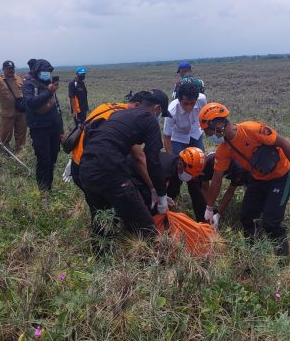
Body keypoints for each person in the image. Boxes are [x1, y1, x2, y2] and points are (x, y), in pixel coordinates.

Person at [199, 102, 290, 255]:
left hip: (281, 176)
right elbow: (216, 179)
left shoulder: (252, 129)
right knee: (247, 216)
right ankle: (253, 252)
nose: (209, 135)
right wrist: (209, 209)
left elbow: (281, 142)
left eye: (208, 131)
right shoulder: (224, 149)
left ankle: (281, 260)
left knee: (271, 222)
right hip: (258, 179)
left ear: (218, 124)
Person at [79, 89, 172, 255]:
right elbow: (153, 160)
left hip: (86, 167)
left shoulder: (119, 115)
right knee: (144, 223)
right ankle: (152, 266)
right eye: (161, 114)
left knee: (103, 218)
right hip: (109, 169)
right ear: (157, 108)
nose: (159, 117)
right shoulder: (149, 119)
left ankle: (102, 263)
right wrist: (161, 195)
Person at [66, 91, 153, 191]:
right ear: (137, 105)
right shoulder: (124, 119)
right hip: (90, 169)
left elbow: (86, 130)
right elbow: (139, 158)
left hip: (77, 162)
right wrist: (153, 187)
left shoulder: (107, 106)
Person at [131, 147, 208, 222]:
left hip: (155, 179)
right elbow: (154, 192)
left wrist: (204, 217)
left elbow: (196, 195)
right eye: (190, 175)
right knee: (148, 211)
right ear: (180, 165)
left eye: (194, 176)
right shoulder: (163, 170)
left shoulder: (184, 168)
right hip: (134, 176)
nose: (192, 178)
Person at [22, 59, 64, 192]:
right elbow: (31, 103)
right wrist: (49, 92)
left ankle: (48, 188)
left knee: (52, 159)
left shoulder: (48, 84)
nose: (47, 74)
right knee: (43, 160)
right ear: (37, 71)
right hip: (39, 128)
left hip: (53, 128)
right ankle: (43, 191)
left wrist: (61, 130)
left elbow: (56, 109)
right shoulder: (29, 85)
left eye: (49, 71)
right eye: (44, 71)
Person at [200, 152, 248, 222]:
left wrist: (218, 213)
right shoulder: (208, 163)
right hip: (220, 165)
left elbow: (230, 192)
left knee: (250, 193)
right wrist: (209, 208)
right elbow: (205, 187)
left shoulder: (238, 169)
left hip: (250, 171)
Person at [163, 82, 208, 155]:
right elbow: (167, 136)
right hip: (178, 137)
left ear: (196, 99)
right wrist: (172, 159)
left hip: (195, 133)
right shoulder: (171, 111)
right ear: (179, 100)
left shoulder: (202, 99)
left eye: (192, 103)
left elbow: (205, 116)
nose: (189, 107)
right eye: (185, 103)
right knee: (179, 162)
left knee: (200, 159)